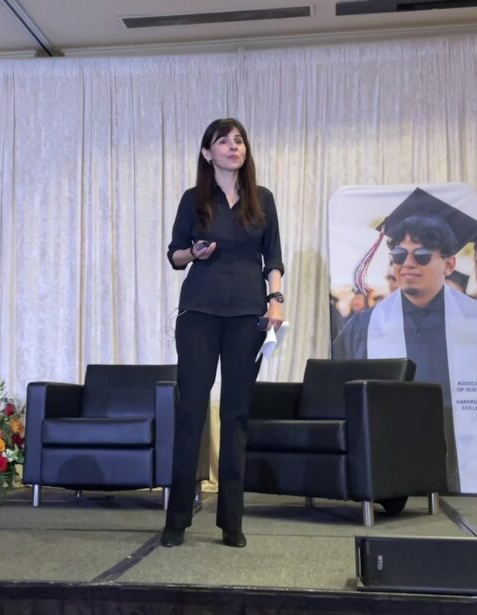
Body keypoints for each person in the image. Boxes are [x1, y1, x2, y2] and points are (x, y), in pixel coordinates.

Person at [161, 118, 284, 548]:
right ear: (207, 152)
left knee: (235, 414)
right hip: (199, 313)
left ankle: (232, 522)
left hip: (247, 316)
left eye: (240, 141)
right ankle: (176, 520)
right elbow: (174, 255)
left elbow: (274, 258)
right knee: (191, 410)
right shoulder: (193, 199)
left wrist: (277, 300)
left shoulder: (261, 199)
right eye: (224, 142)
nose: (234, 147)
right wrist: (192, 252)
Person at [331, 188, 477, 492]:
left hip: (458, 445)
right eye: (398, 255)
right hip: (390, 441)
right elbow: (339, 383)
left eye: (420, 255)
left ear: (448, 264)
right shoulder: (364, 325)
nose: (407, 263)